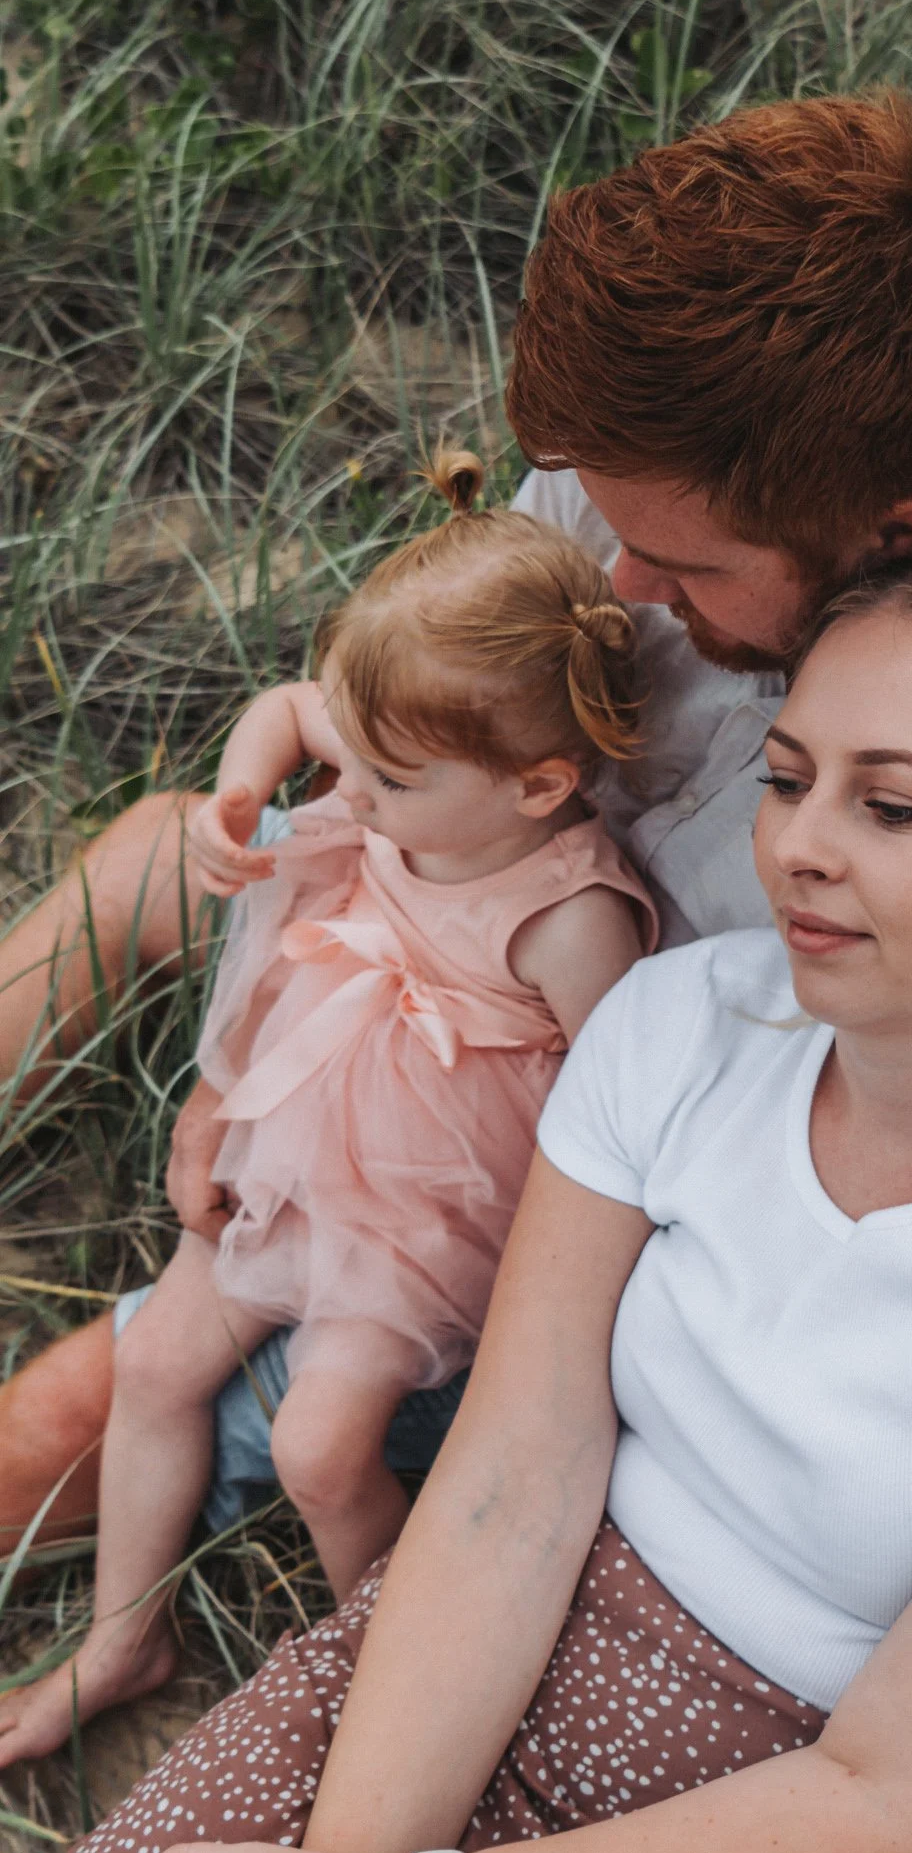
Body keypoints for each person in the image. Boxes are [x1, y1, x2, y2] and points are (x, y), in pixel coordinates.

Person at [0, 92, 912, 1853]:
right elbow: (411, 760)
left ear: (896, 531)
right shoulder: (670, 465)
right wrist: (263, 1055)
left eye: (681, 570)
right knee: (174, 847)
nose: (614, 580)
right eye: (593, 516)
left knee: (80, 1417)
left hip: (578, 1230)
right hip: (523, 1044)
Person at [0, 460, 655, 1769]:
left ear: (537, 786)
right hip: (298, 1124)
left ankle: (391, 1661)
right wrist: (242, 796)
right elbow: (293, 713)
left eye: (391, 784)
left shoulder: (571, 918)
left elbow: (626, 1115)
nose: (348, 799)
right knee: (160, 1363)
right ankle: (128, 1634)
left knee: (319, 1444)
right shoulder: (403, 753)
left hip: (432, 1208)